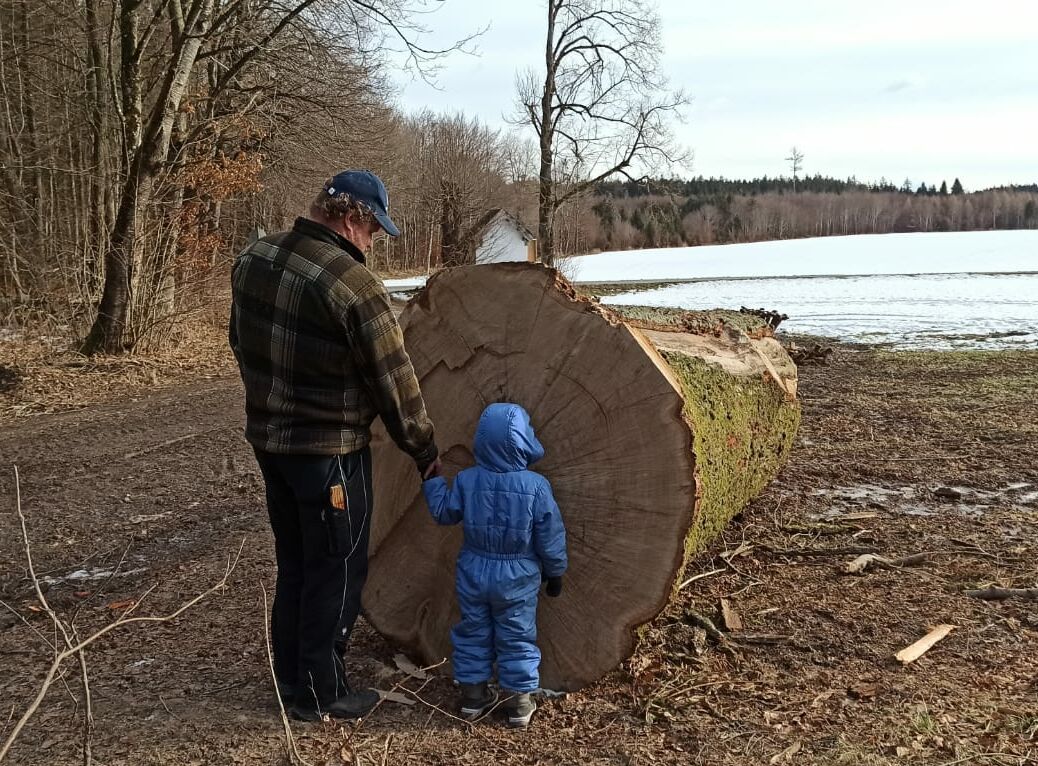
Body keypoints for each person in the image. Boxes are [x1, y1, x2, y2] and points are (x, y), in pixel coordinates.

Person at [229, 170, 441, 721]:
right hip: (329, 454)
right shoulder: (354, 286)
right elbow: (396, 384)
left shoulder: (255, 258)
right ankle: (322, 692)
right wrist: (424, 452)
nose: (372, 242)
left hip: (269, 443)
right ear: (351, 218)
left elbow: (239, 341)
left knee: (296, 559)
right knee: (337, 568)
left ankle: (290, 681)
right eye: (373, 230)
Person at [422, 402, 567, 728]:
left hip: (474, 567)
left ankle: (473, 697)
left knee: (473, 630)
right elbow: (550, 534)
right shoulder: (535, 487)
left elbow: (444, 513)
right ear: (524, 439)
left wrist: (433, 483)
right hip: (517, 574)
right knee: (516, 633)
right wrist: (555, 570)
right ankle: (519, 701)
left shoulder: (466, 480)